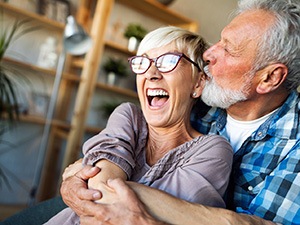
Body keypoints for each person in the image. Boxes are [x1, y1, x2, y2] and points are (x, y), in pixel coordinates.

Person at [60, 0, 300, 225]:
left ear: (269, 77)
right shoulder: (201, 106)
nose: (209, 54)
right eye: (219, 41)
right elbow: (115, 146)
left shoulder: (293, 148)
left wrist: (98, 180)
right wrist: (78, 176)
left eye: (228, 49)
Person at [43, 26, 233, 225]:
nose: (151, 74)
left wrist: (83, 172)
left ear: (198, 83)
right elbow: (105, 193)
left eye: (168, 61)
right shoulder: (129, 116)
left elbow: (168, 214)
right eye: (142, 62)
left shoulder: (213, 150)